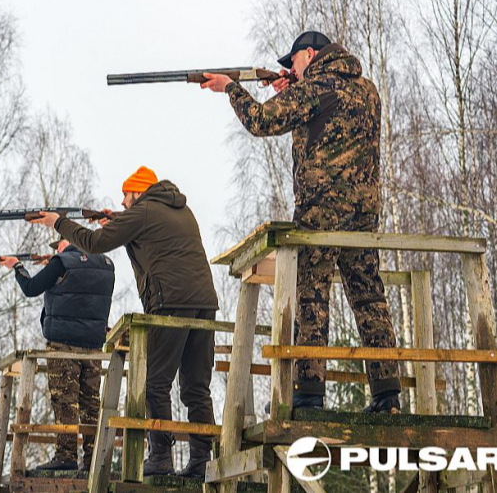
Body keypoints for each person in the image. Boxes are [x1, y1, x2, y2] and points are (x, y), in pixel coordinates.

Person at [200, 31, 402, 414]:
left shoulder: (316, 88)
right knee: (369, 296)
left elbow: (260, 121)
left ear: (309, 55)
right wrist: (293, 86)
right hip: (363, 212)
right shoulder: (367, 89)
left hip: (321, 211)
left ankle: (308, 397)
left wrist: (231, 89)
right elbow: (327, 124)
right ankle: (387, 394)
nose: (288, 69)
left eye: (292, 62)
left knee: (311, 296)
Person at [29, 166, 220, 478]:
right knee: (197, 387)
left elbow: (93, 244)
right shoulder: (182, 210)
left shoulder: (142, 211)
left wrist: (58, 223)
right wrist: (117, 221)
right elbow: (151, 231)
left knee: (154, 383)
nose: (122, 201)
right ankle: (201, 460)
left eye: (125, 195)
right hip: (205, 303)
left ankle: (160, 457)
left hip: (170, 303)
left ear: (138, 192)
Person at [0, 237, 115, 471]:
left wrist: (16, 266)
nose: (56, 250)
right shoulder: (105, 264)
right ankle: (94, 460)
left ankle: (66, 456)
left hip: (63, 345)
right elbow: (77, 290)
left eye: (58, 246)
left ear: (66, 242)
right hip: (93, 346)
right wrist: (53, 267)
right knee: (91, 403)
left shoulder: (61, 261)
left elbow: (31, 288)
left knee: (65, 401)